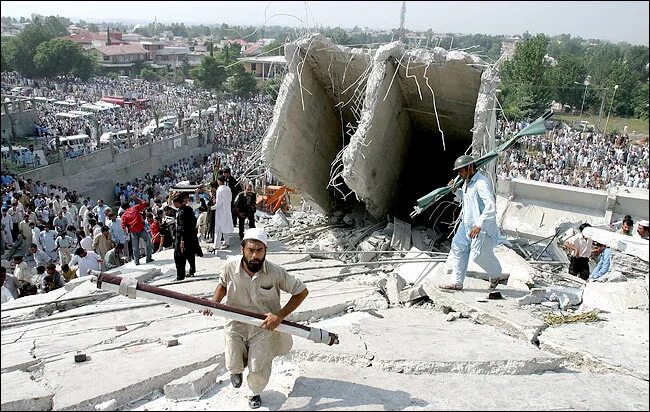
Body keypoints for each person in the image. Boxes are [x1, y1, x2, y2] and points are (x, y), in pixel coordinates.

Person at [203, 228, 309, 409]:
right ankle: (236, 371)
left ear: (266, 251)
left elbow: (301, 291)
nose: (255, 255)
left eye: (260, 250)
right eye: (251, 250)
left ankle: (255, 393)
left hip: (263, 328)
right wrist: (214, 303)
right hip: (235, 323)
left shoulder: (276, 272)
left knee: (258, 367)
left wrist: (279, 316)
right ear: (242, 249)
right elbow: (222, 285)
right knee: (233, 361)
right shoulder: (230, 268)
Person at [439, 155, 502, 291]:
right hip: (466, 224)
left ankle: (496, 275)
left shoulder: (481, 183)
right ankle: (456, 282)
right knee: (458, 247)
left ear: (469, 168)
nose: (459, 174)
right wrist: (456, 191)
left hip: (479, 227)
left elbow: (490, 206)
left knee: (478, 256)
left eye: (461, 171)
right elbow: (467, 199)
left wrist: (479, 225)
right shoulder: (467, 182)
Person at [172, 192, 199, 281]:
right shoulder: (188, 209)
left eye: (174, 202)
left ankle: (180, 275)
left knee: (179, 256)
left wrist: (182, 241)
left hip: (182, 237)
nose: (173, 204)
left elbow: (182, 227)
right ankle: (192, 269)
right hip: (190, 236)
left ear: (178, 202)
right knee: (189, 254)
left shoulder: (182, 212)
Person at [121, 195, 154, 265]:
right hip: (141, 229)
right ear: (129, 205)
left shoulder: (124, 215)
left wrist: (126, 233)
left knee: (135, 247)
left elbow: (123, 226)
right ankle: (148, 258)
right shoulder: (135, 208)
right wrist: (136, 198)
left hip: (133, 232)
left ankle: (137, 261)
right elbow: (144, 203)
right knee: (148, 242)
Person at [211, 176, 235, 251]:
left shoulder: (219, 189)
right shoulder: (228, 188)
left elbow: (219, 203)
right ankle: (226, 242)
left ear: (218, 181)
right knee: (226, 227)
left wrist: (212, 207)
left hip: (220, 212)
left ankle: (216, 245)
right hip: (227, 210)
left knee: (218, 229)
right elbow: (230, 199)